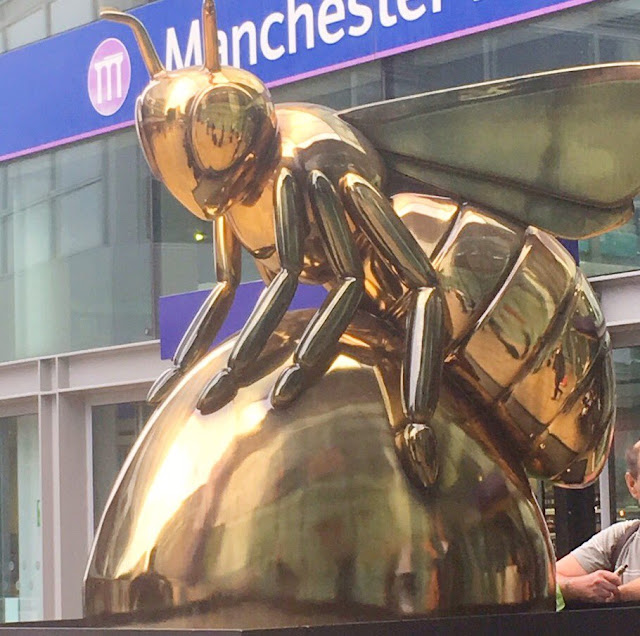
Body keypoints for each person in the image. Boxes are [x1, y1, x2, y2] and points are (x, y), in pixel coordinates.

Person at [557, 440, 640, 604]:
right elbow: (545, 581)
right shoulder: (619, 537)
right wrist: (574, 587)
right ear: (632, 485)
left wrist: (618, 594)